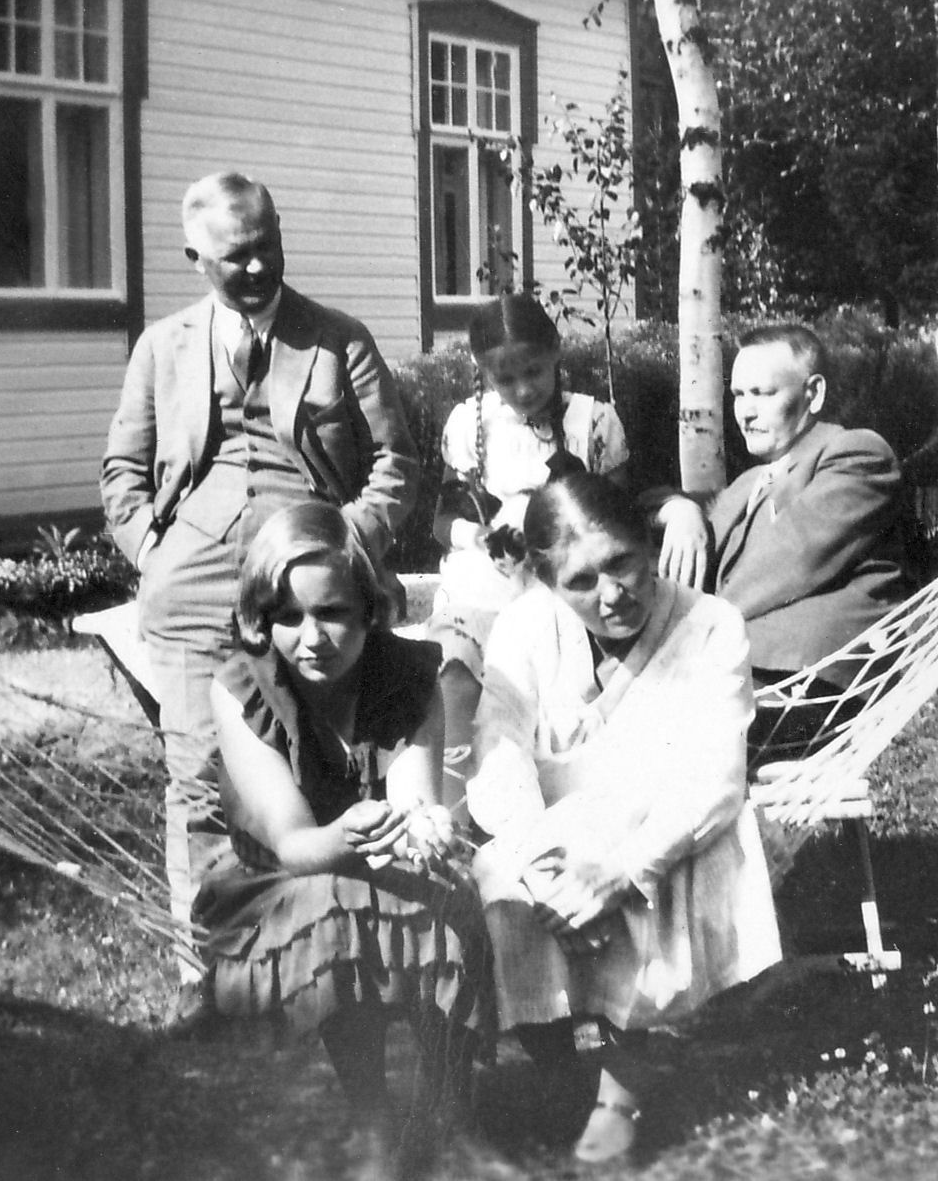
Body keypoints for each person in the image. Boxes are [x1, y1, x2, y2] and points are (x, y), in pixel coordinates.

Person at [101, 171, 419, 1010]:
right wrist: (154, 552)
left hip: (306, 586)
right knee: (198, 777)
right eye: (235, 256)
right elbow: (121, 471)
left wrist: (347, 546)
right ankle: (205, 970)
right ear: (195, 257)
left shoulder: (338, 339)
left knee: (318, 771)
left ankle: (322, 954)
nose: (256, 268)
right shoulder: (162, 347)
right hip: (193, 587)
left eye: (267, 246)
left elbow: (396, 462)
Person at [466, 473, 782, 1164]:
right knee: (500, 890)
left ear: (648, 543)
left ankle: (619, 1089)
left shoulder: (710, 625)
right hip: (557, 839)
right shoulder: (525, 626)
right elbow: (498, 745)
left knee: (646, 898)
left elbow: (715, 779)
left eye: (622, 564)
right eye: (581, 581)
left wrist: (622, 871)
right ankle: (567, 1070)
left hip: (669, 829)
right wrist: (543, 869)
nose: (611, 594)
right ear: (547, 580)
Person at [195, 502, 489, 1175]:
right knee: (335, 914)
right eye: (288, 617)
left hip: (378, 848)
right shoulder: (241, 689)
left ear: (368, 609)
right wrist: (349, 836)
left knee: (442, 901)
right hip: (286, 874)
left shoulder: (410, 674)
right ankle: (371, 1111)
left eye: (331, 613)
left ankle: (445, 1095)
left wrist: (421, 827)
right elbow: (294, 842)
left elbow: (414, 798)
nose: (312, 638)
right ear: (262, 619)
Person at [428, 293, 630, 784]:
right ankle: (455, 802)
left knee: (557, 700)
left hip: (561, 593)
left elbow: (617, 519)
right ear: (483, 371)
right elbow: (445, 518)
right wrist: (481, 536)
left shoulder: (591, 421)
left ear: (555, 350)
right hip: (486, 589)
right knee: (453, 666)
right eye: (505, 379)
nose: (522, 390)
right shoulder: (471, 423)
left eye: (534, 372)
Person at [656, 323, 916, 688]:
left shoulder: (855, 454)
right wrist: (679, 510)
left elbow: (794, 557)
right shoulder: (748, 483)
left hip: (809, 678)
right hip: (736, 670)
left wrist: (682, 633)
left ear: (814, 393)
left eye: (762, 393)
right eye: (738, 395)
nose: (745, 412)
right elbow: (639, 515)